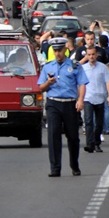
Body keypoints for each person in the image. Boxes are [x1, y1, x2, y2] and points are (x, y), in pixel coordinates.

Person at [37, 37, 88, 177]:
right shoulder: (48, 66)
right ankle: (55, 168)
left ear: (65, 49)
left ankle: (74, 164)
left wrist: (81, 100)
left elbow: (82, 83)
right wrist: (48, 82)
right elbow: (40, 88)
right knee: (53, 136)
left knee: (72, 136)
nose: (58, 53)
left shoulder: (75, 65)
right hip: (53, 103)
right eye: (55, 50)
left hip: (70, 103)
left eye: (60, 50)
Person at [81, 46, 109, 153]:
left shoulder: (103, 67)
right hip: (88, 98)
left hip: (100, 97)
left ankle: (97, 143)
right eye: (89, 55)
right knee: (89, 121)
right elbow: (80, 84)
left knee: (99, 123)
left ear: (96, 55)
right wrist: (79, 98)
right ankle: (90, 144)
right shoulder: (83, 68)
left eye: (93, 54)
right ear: (86, 55)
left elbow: (108, 81)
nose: (91, 57)